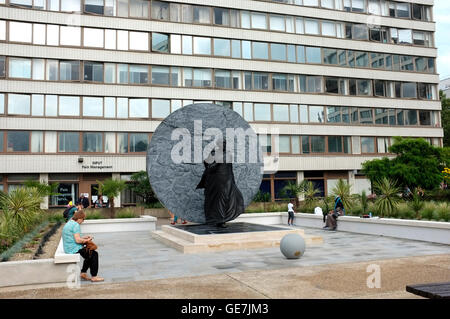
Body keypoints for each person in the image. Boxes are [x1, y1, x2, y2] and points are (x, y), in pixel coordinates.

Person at [62, 211, 104, 282]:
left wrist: (84, 238)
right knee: (94, 254)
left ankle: (83, 273)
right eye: (83, 219)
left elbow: (74, 237)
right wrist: (88, 240)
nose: (83, 221)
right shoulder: (76, 225)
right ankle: (94, 276)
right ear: (79, 218)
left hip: (68, 247)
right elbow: (78, 240)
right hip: (74, 248)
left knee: (89, 255)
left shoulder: (69, 223)